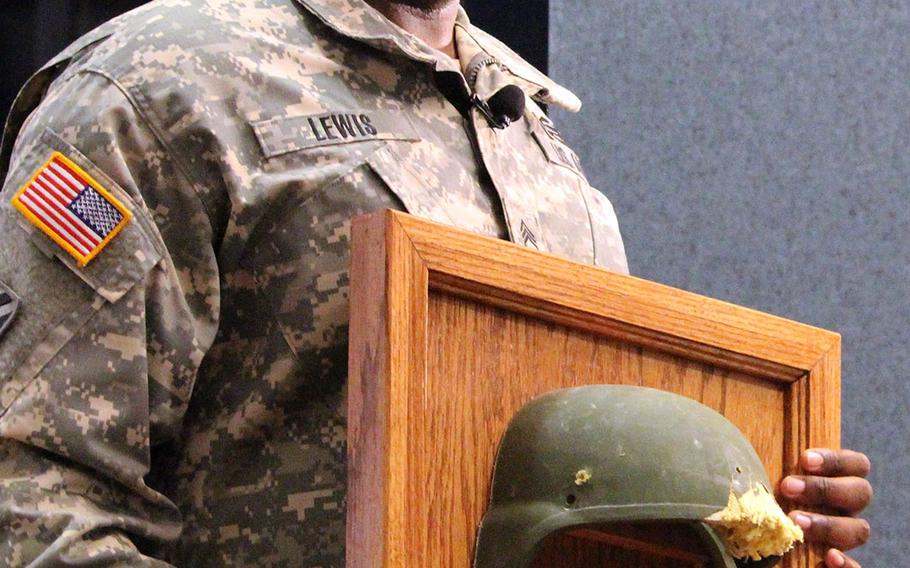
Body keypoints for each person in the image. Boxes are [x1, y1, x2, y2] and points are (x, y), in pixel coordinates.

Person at [0, 0, 871, 566]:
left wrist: (749, 517)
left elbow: (580, 503)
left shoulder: (530, 132)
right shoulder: (157, 85)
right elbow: (32, 493)